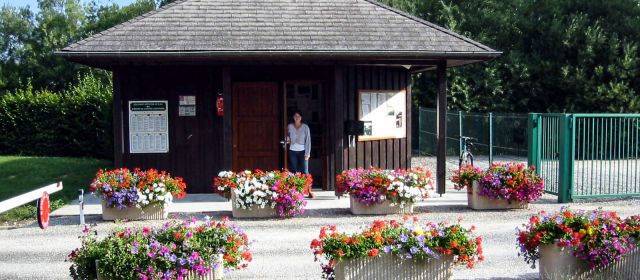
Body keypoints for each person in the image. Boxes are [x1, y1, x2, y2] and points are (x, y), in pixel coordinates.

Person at [286, 110, 313, 198]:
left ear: (301, 118)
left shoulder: (305, 127)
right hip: (292, 150)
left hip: (303, 151)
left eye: (299, 116)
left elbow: (308, 141)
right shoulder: (289, 126)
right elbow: (286, 136)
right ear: (293, 118)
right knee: (294, 171)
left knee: (305, 171)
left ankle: (308, 191)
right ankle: (295, 191)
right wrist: (287, 139)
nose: (297, 118)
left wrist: (307, 153)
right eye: (295, 116)